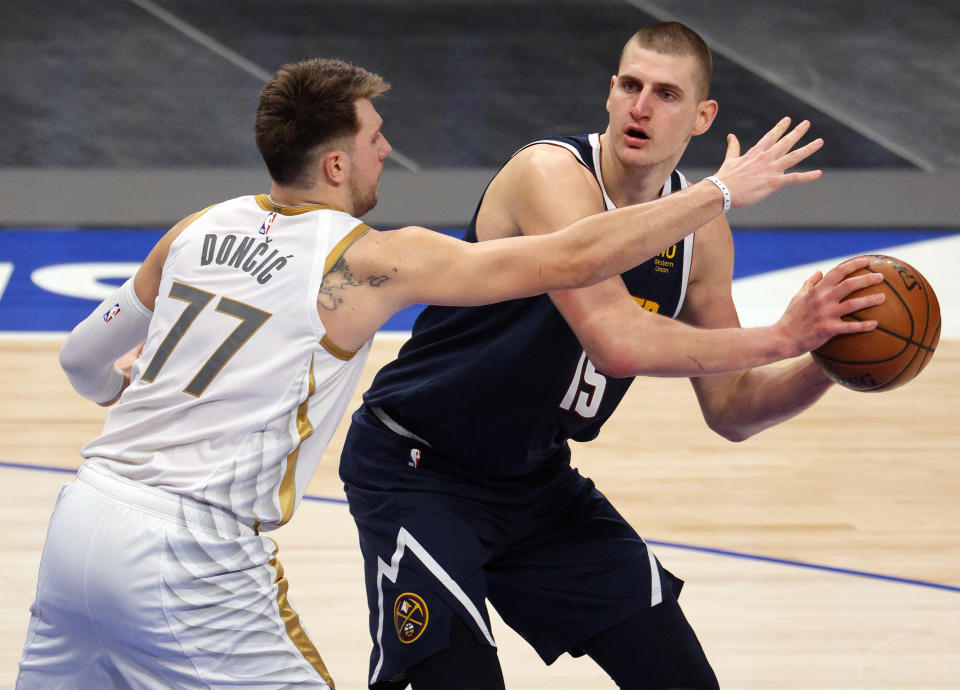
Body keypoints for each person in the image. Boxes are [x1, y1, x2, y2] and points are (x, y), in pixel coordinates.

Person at [14, 51, 840, 689]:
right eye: (376, 139)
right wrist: (723, 193)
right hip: (197, 551)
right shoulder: (373, 260)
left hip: (81, 520)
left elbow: (83, 361)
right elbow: (578, 258)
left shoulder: (196, 228)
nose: (389, 151)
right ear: (336, 164)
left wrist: (136, 387)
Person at [339, 23, 885, 690]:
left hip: (534, 485)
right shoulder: (550, 174)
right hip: (419, 468)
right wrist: (782, 332)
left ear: (702, 117)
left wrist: (829, 358)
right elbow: (615, 339)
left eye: (665, 93)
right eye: (629, 86)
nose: (641, 107)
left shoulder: (701, 237)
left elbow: (734, 408)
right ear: (609, 93)